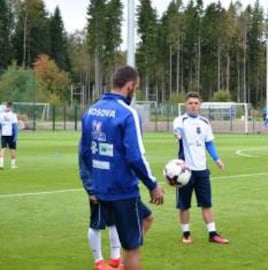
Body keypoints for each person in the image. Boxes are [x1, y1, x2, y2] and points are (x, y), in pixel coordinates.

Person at [79, 65, 164, 270]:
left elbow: (84, 153)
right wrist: (152, 184)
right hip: (122, 191)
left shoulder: (91, 111)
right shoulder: (128, 113)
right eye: (136, 87)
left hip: (101, 189)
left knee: (147, 217)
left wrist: (92, 186)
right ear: (130, 85)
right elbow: (135, 156)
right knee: (132, 247)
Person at [173, 92, 229, 245]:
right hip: (184, 171)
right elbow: (178, 131)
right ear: (185, 104)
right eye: (190, 103)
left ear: (200, 105)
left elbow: (209, 143)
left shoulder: (205, 122)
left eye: (196, 103)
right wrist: (178, 134)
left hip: (202, 170)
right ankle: (186, 233)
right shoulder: (180, 120)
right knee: (184, 205)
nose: (193, 105)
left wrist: (217, 159)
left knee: (207, 203)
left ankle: (213, 234)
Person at [0, 101, 19, 169]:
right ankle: (13, 165)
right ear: (11, 107)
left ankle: (1, 164)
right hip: (11, 134)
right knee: (13, 149)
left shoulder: (1, 115)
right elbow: (15, 126)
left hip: (3, 134)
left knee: (3, 149)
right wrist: (16, 136)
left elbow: (0, 125)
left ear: (6, 106)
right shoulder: (13, 115)